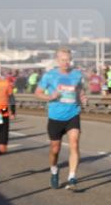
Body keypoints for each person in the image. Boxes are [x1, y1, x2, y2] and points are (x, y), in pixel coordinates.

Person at [36, 48, 86, 191]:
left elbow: (80, 90)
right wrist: (50, 97)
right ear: (57, 60)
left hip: (73, 114)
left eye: (68, 59)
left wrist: (82, 97)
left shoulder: (76, 74)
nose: (66, 62)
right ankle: (54, 170)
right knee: (55, 149)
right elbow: (38, 93)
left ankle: (72, 177)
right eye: (63, 59)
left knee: (74, 144)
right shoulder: (49, 76)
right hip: (55, 116)